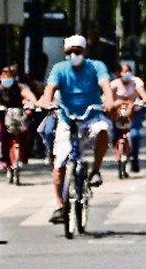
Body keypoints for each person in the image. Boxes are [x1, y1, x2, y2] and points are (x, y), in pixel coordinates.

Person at [38, 35, 114, 224]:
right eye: (69, 52)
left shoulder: (96, 67)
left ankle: (95, 170)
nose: (73, 55)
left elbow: (105, 85)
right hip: (67, 120)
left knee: (103, 129)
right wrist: (47, 102)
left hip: (91, 116)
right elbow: (50, 88)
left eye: (77, 51)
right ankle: (59, 206)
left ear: (85, 52)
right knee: (60, 164)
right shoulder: (59, 69)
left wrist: (110, 101)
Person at [0, 65, 37, 172]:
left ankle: (22, 157)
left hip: (18, 115)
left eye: (9, 76)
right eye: (4, 76)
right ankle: (3, 161)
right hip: (2, 115)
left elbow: (29, 95)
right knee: (3, 135)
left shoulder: (20, 87)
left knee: (25, 132)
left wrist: (33, 103)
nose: (7, 79)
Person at [111, 63, 146, 172]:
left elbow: (144, 95)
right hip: (119, 113)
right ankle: (119, 150)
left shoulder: (135, 82)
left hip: (134, 112)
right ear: (119, 73)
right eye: (124, 71)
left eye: (129, 71)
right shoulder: (114, 84)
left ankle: (134, 159)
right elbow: (107, 97)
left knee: (134, 135)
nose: (126, 74)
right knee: (115, 134)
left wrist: (144, 100)